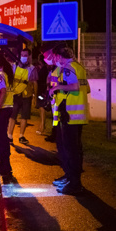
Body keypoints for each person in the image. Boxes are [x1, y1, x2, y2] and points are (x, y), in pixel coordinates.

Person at [49, 44, 90, 195]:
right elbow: (87, 88)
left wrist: (56, 87)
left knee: (71, 150)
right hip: (78, 115)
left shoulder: (68, 68)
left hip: (70, 115)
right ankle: (73, 180)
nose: (54, 59)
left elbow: (75, 86)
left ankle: (75, 184)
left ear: (60, 56)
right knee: (76, 149)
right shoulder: (79, 67)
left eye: (55, 56)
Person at [7, 48, 38, 144]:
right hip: (15, 95)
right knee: (12, 116)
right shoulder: (14, 66)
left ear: (29, 56)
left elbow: (34, 83)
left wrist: (35, 97)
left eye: (25, 55)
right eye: (22, 55)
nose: (23, 57)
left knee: (24, 116)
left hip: (26, 96)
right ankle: (9, 136)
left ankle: (21, 136)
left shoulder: (32, 69)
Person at [35, 54, 51, 135]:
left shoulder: (44, 70)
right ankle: (41, 126)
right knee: (41, 109)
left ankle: (42, 127)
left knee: (42, 109)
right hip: (41, 91)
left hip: (42, 92)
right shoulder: (44, 69)